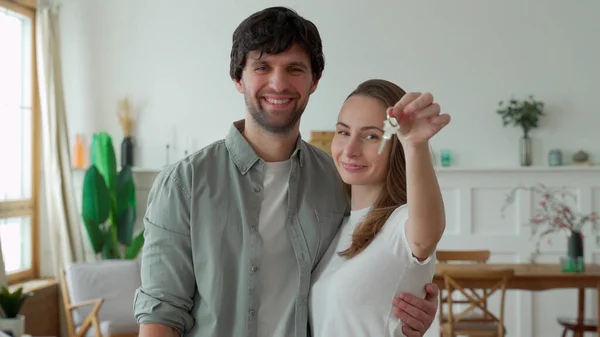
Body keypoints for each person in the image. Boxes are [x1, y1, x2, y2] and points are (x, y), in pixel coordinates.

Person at [133, 6, 440, 337]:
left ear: (314, 80)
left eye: (294, 69)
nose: (278, 84)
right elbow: (161, 311)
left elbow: (375, 262)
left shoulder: (337, 179)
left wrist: (399, 308)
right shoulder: (184, 183)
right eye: (262, 67)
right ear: (238, 78)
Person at [309, 79, 449, 337]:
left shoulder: (401, 224)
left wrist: (414, 144)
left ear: (396, 146)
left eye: (371, 136)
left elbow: (426, 233)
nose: (350, 150)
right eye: (343, 132)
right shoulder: (336, 225)